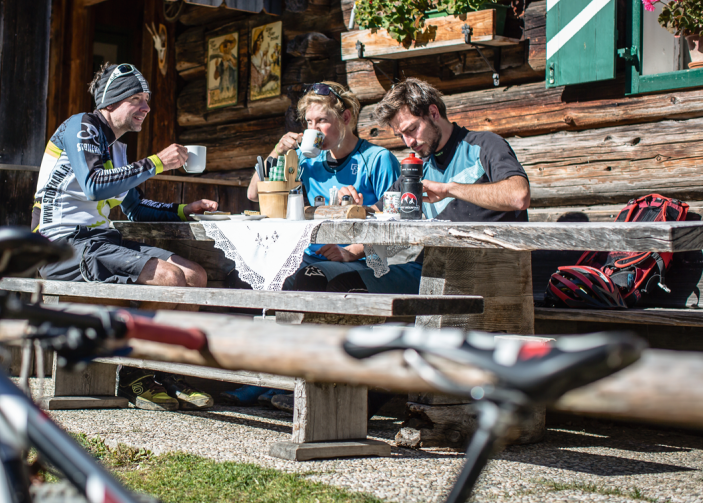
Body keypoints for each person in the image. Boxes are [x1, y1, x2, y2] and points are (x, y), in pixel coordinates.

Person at [33, 62, 218, 412]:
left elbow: (134, 207)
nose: (146, 108)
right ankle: (132, 375)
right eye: (136, 99)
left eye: (147, 99)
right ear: (110, 103)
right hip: (62, 246)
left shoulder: (117, 147)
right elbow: (92, 184)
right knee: (169, 278)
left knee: (196, 275)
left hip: (99, 241)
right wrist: (157, 162)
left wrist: (185, 209)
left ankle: (163, 371)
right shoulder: (82, 127)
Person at [222, 82, 400, 407]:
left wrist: (354, 250)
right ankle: (263, 378)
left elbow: (397, 216)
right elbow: (254, 194)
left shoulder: (378, 159)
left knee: (306, 282)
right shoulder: (307, 162)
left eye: (322, 121)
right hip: (309, 257)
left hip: (362, 263)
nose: (314, 130)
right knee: (249, 278)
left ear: (346, 117)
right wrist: (277, 151)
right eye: (308, 123)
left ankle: (296, 386)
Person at [328, 77, 530, 295]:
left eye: (412, 129)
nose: (408, 142)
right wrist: (354, 207)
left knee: (347, 288)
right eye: (401, 135)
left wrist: (450, 189)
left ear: (434, 113)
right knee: (330, 283)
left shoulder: (484, 145)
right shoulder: (417, 166)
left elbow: (518, 195)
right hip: (432, 270)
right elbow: (382, 211)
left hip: (489, 274)